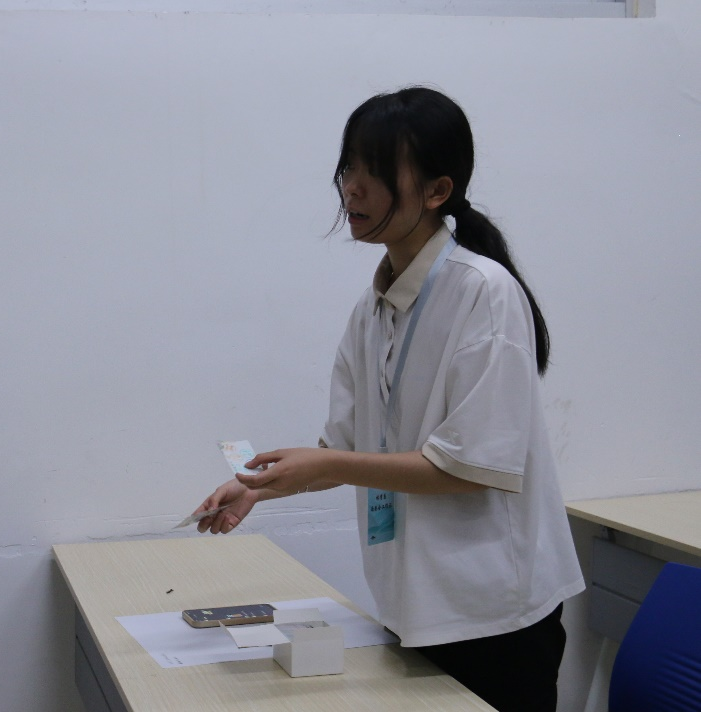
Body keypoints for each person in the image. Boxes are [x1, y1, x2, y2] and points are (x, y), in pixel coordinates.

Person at [193, 87, 584, 712]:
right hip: (413, 603)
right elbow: (347, 450)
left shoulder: (483, 292)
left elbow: (467, 468)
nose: (352, 187)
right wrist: (257, 488)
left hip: (495, 613)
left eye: (373, 171)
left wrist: (328, 464)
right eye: (348, 166)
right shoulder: (372, 307)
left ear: (437, 191)